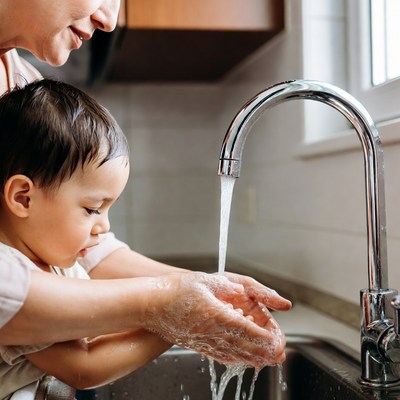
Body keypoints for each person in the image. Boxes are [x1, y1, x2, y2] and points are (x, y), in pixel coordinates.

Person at [0, 0, 292, 393]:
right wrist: (164, 307)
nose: (109, 19)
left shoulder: (25, 88)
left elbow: (94, 251)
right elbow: (80, 361)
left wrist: (206, 290)